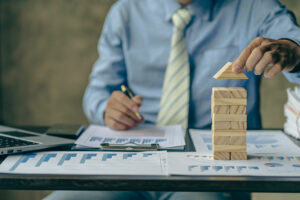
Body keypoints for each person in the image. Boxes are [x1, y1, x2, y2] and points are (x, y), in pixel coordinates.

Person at [44, 0, 300, 199]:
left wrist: (293, 51)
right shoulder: (125, 12)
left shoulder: (256, 7)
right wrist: (106, 109)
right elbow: (97, 92)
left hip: (214, 174)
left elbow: (295, 44)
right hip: (130, 164)